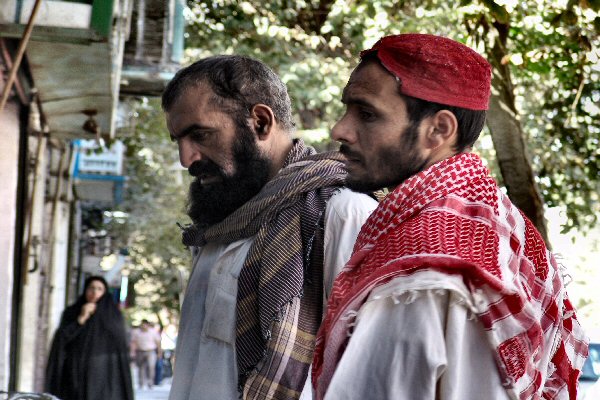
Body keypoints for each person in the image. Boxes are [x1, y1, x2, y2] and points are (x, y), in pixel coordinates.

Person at [312, 33, 589, 400]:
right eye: (347, 109)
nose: (340, 130)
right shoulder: (502, 220)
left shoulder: (422, 268)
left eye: (366, 114)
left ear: (439, 130)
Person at [161, 55, 378, 400]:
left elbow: (367, 376)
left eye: (200, 135)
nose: (187, 159)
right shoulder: (220, 228)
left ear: (260, 122)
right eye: (179, 141)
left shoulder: (341, 213)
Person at [45, 275, 134, 400]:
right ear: (85, 290)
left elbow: (119, 348)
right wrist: (80, 320)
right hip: (75, 373)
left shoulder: (113, 316)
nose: (94, 292)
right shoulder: (72, 312)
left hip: (104, 376)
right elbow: (61, 339)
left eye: (99, 289)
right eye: (91, 288)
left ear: (104, 292)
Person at [130, 319, 162, 389]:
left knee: (151, 366)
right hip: (140, 351)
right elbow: (133, 342)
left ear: (147, 325)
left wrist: (159, 352)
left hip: (151, 351)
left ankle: (150, 382)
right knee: (141, 367)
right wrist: (132, 352)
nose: (143, 326)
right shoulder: (137, 332)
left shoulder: (153, 332)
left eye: (145, 324)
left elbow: (158, 343)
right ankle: (141, 383)